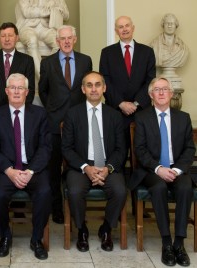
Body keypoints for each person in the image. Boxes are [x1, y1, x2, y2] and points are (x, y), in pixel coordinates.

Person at [129, 77, 195, 267]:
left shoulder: (184, 118)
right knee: (158, 188)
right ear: (151, 95)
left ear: (171, 94)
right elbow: (140, 149)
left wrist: (176, 170)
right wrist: (159, 169)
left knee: (185, 188)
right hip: (152, 170)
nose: (161, 92)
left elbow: (189, 149)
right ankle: (166, 242)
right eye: (156, 90)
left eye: (164, 89)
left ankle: (179, 243)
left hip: (177, 170)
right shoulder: (142, 118)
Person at [0, 73, 52, 260]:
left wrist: (30, 171)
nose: (16, 91)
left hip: (33, 168)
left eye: (20, 88)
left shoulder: (39, 114)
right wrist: (9, 171)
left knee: (45, 192)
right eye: (12, 88)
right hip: (6, 169)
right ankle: (5, 236)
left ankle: (36, 239)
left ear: (27, 92)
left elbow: (45, 148)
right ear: (6, 91)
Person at [61, 71, 127, 252]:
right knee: (74, 191)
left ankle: (106, 229)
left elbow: (122, 149)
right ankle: (82, 229)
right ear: (83, 89)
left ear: (104, 88)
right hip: (81, 165)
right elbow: (66, 148)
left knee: (120, 191)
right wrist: (86, 167)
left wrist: (108, 168)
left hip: (108, 164)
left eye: (98, 84)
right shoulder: (72, 114)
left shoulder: (115, 115)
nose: (94, 89)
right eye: (89, 85)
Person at [0, 22, 35, 222]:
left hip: (19, 119)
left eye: (11, 35)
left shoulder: (27, 60)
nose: (7, 38)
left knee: (18, 158)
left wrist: (15, 109)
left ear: (17, 37)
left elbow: (31, 90)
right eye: (3, 35)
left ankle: (18, 206)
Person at [38, 24, 92, 224]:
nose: (67, 41)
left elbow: (87, 88)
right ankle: (57, 209)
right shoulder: (48, 63)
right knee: (53, 169)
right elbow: (42, 90)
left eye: (70, 38)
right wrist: (52, 109)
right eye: (63, 38)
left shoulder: (86, 61)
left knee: (78, 166)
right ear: (57, 41)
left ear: (74, 39)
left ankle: (78, 208)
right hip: (54, 123)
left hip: (79, 123)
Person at [99, 16, 156, 167]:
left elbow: (150, 81)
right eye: (120, 27)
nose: (124, 29)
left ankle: (140, 185)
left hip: (141, 111)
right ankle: (119, 185)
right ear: (116, 31)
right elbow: (105, 81)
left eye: (127, 26)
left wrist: (136, 103)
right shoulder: (107, 53)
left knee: (143, 152)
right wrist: (121, 103)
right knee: (118, 153)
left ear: (133, 27)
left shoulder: (147, 52)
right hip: (116, 111)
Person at [15, 0, 69, 78]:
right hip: (27, 27)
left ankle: (48, 73)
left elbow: (67, 15)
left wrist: (59, 11)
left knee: (59, 43)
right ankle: (42, 78)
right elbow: (27, 11)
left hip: (47, 28)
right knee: (32, 40)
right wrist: (48, 11)